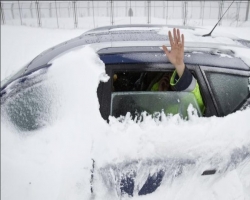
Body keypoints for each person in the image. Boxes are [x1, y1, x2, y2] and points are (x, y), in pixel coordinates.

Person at [150, 28, 205, 114]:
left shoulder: (187, 105)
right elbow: (146, 109)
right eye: (167, 74)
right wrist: (160, 95)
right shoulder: (154, 92)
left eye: (174, 76)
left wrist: (179, 65)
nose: (168, 78)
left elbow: (194, 96)